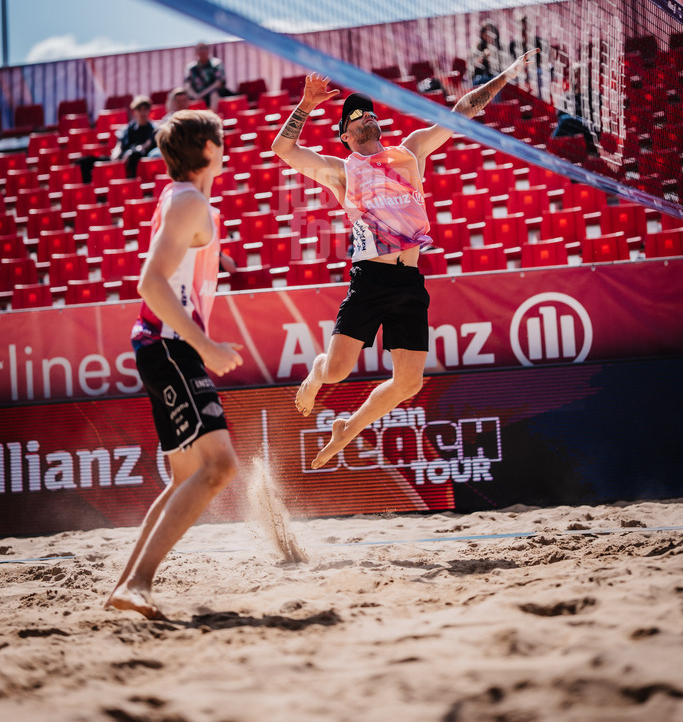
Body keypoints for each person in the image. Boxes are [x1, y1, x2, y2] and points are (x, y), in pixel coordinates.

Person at [271, 50, 538, 471]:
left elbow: (460, 113)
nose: (365, 117)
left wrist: (508, 74)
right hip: (370, 279)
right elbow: (283, 149)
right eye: (356, 117)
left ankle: (349, 428)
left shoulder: (409, 153)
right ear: (344, 135)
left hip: (409, 281)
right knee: (337, 371)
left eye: (368, 114)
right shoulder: (343, 170)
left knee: (409, 382)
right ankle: (314, 374)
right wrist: (306, 106)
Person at [105, 109, 243, 619]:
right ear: (207, 149)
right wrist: (205, 346)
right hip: (169, 344)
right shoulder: (188, 202)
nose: (227, 146)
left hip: (163, 343)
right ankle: (137, 583)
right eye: (221, 140)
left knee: (186, 476)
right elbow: (150, 283)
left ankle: (125, 588)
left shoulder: (186, 200)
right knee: (220, 467)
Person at [77, 94, 158, 182]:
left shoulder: (153, 129)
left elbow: (146, 145)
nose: (142, 113)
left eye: (145, 109)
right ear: (134, 111)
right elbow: (119, 146)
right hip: (122, 158)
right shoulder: (127, 129)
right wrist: (115, 157)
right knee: (84, 162)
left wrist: (131, 153)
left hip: (138, 160)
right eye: (139, 109)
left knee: (135, 155)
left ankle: (131, 182)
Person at [185, 42, 231, 111]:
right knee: (178, 95)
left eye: (204, 48)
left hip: (214, 93)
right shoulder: (191, 67)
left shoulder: (216, 63)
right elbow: (187, 84)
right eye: (200, 49)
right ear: (196, 51)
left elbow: (219, 83)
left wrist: (202, 94)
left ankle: (211, 117)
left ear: (208, 50)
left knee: (214, 94)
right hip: (196, 94)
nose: (202, 51)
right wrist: (195, 95)